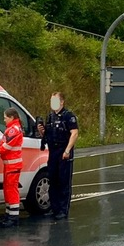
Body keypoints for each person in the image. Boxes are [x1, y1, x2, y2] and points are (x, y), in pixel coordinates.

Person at [38, 92, 79, 220]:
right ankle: (54, 208)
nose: (53, 104)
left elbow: (74, 133)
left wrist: (67, 151)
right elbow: (47, 135)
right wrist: (42, 131)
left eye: (55, 101)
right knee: (53, 180)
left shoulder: (68, 116)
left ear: (61, 102)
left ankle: (63, 210)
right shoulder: (50, 117)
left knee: (63, 181)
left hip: (63, 151)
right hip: (53, 152)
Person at [0, 107, 24, 228]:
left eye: (5, 118)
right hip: (9, 164)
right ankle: (9, 214)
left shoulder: (14, 130)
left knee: (11, 190)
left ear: (11, 117)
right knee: (8, 189)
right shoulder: (12, 128)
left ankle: (13, 217)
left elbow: (6, 147)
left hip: (13, 165)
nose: (4, 120)